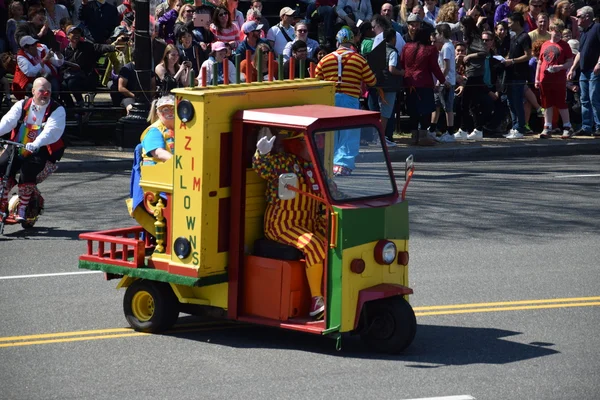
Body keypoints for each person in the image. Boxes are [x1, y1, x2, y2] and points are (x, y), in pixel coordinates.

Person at [252, 127, 327, 320]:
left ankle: (333, 293)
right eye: (307, 142)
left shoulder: (316, 167)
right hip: (282, 224)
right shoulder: (284, 163)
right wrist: (262, 154)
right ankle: (316, 300)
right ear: (294, 144)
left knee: (336, 242)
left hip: (309, 222)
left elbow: (329, 192)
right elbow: (262, 168)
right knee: (314, 245)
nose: (316, 146)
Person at [0, 77, 65, 221]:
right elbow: (8, 121)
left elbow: (51, 131)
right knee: (2, 165)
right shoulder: (22, 105)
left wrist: (36, 143)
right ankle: (2, 201)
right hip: (19, 144)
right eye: (41, 90)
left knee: (28, 171)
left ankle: (22, 208)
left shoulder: (57, 109)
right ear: (33, 91)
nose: (45, 94)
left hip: (42, 147)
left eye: (48, 91)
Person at [315, 27, 377, 176]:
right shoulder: (359, 59)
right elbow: (371, 81)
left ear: (337, 42)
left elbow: (317, 79)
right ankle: (343, 165)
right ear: (351, 43)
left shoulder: (325, 59)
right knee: (349, 132)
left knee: (333, 132)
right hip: (350, 98)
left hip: (331, 98)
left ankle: (330, 163)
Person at [400, 27, 446, 146]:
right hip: (424, 83)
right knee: (425, 110)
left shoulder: (406, 47)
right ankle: (423, 137)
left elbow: (401, 63)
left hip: (409, 83)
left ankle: (414, 136)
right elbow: (434, 67)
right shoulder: (430, 49)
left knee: (413, 109)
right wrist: (443, 80)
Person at [535, 20, 574, 139]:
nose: (557, 36)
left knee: (561, 102)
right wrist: (536, 78)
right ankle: (547, 127)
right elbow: (540, 62)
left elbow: (570, 61)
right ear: (550, 31)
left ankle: (567, 127)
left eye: (559, 34)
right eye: (555, 33)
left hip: (558, 79)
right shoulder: (545, 44)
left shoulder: (565, 45)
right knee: (546, 104)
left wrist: (560, 67)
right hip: (545, 78)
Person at [62, 25, 116, 107]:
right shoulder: (65, 50)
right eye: (73, 33)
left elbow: (99, 47)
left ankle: (81, 105)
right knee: (62, 86)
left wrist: (114, 47)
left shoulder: (86, 46)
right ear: (68, 35)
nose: (76, 35)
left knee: (72, 83)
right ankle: (71, 108)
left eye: (78, 33)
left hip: (88, 77)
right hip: (71, 76)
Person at [567, 6, 600, 137]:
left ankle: (598, 126)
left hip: (594, 70)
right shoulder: (583, 32)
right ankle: (586, 126)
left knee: (594, 98)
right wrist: (573, 68)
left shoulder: (597, 28)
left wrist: (599, 63)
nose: (577, 19)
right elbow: (580, 52)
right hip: (584, 71)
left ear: (587, 17)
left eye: (579, 16)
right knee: (584, 99)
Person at [502, 12, 531, 139]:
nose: (508, 24)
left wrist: (513, 61)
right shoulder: (513, 37)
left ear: (517, 22)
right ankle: (514, 126)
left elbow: (528, 55)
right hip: (510, 74)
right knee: (510, 102)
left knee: (517, 101)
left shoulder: (525, 37)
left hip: (519, 74)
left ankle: (520, 127)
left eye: (510, 22)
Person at [13, 35, 63, 100]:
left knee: (55, 82)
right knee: (35, 87)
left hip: (48, 77)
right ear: (26, 49)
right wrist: (44, 60)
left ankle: (54, 102)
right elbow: (30, 72)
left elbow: (58, 63)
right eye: (32, 45)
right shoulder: (21, 57)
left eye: (35, 43)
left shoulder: (42, 47)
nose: (35, 46)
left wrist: (59, 55)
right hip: (30, 80)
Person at [430, 23, 456, 142]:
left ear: (441, 34)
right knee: (436, 105)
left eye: (437, 33)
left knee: (447, 107)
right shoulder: (448, 46)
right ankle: (432, 130)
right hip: (444, 81)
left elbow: (446, 67)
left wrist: (440, 81)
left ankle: (450, 132)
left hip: (446, 82)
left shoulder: (446, 47)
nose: (435, 36)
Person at [140, 95, 176, 165]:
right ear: (158, 113)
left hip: (175, 171)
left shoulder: (181, 129)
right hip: (157, 172)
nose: (170, 112)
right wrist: (178, 162)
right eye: (165, 110)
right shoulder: (154, 131)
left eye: (173, 108)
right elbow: (158, 152)